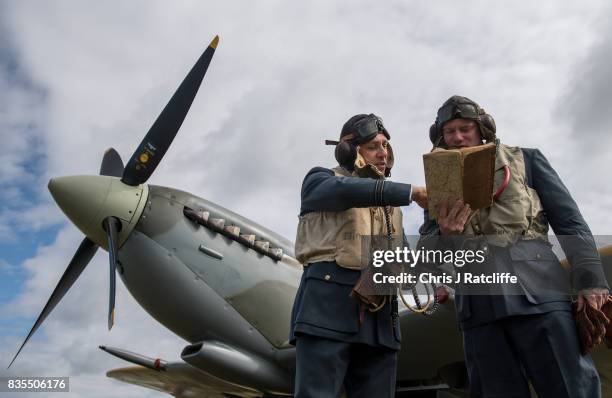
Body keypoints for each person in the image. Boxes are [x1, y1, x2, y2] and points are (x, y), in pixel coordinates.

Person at [419, 95, 610, 397]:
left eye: (465, 128)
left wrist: (591, 282)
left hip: (540, 295)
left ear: (482, 129)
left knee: (570, 387)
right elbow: (428, 258)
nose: (457, 137)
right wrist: (446, 233)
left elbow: (570, 224)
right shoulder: (437, 188)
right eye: (449, 131)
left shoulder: (527, 160)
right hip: (479, 310)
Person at [289, 113, 427, 398]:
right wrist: (410, 192)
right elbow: (342, 190)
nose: (383, 153)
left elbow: (408, 269)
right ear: (351, 150)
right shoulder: (320, 180)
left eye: (386, 146)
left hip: (381, 323)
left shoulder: (394, 210)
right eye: (374, 146)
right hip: (327, 313)